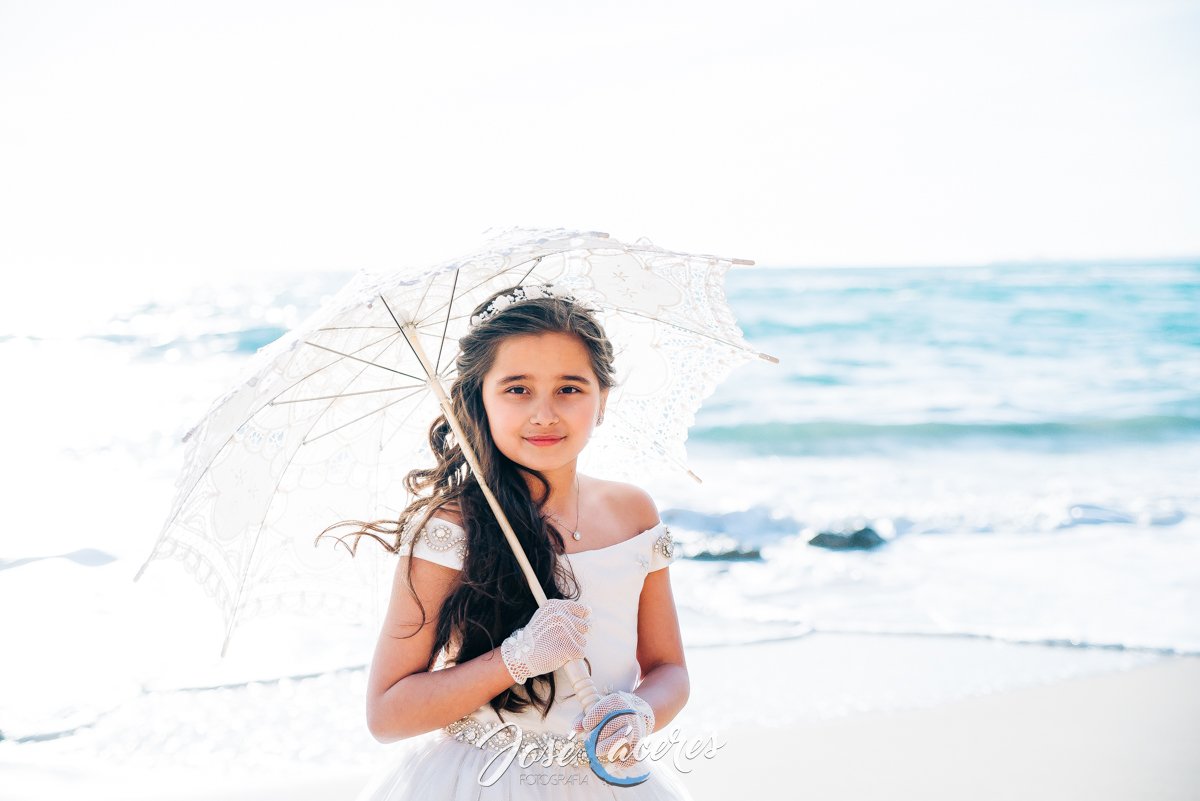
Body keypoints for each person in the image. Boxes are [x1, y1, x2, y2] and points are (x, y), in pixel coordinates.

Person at [326, 284, 696, 799]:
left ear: (602, 400)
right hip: (483, 780)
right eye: (517, 389)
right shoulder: (452, 528)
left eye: (569, 388)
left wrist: (639, 711)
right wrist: (516, 658)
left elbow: (669, 668)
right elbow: (388, 714)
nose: (544, 413)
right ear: (479, 399)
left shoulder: (633, 512)